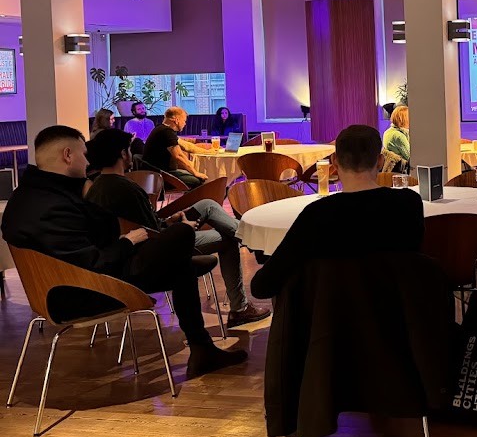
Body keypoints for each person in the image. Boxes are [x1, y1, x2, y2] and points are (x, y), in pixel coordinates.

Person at [0, 126, 245, 376]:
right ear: (67, 155)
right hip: (83, 291)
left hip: (59, 288)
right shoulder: (53, 206)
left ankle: (203, 348)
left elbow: (82, 246)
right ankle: (203, 348)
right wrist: (127, 242)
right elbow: (91, 263)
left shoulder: (26, 198)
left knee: (180, 264)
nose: (87, 161)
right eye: (83, 154)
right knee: (181, 240)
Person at [84, 129, 270, 327]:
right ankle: (240, 306)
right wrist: (181, 226)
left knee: (207, 205)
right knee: (228, 238)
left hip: (142, 244)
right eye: (129, 149)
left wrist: (170, 220)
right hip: (157, 248)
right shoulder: (126, 188)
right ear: (122, 154)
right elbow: (150, 233)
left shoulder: (98, 187)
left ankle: (253, 241)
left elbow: (142, 224)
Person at [251, 125, 425, 299]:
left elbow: (262, 287)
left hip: (333, 320)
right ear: (380, 161)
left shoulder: (317, 214)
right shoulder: (409, 203)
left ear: (334, 161)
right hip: (397, 315)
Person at [143, 106, 206, 188]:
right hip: (160, 175)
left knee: (192, 175)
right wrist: (195, 172)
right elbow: (178, 156)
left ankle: (190, 200)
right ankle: (192, 200)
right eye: (184, 120)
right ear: (176, 120)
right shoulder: (167, 132)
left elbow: (185, 146)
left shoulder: (161, 129)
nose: (185, 124)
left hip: (153, 173)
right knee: (197, 180)